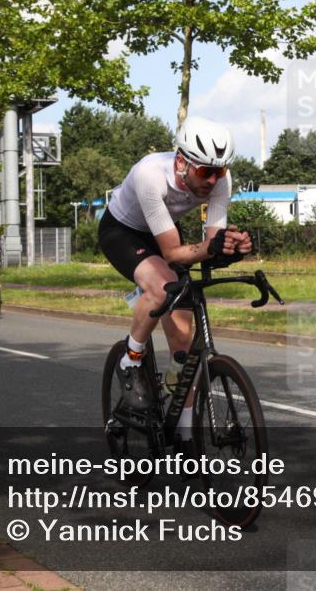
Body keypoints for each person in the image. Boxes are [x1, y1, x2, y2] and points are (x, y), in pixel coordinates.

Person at [99, 116, 251, 423]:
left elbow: (211, 244)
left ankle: (182, 432)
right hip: (123, 232)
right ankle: (130, 360)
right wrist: (213, 247)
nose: (213, 180)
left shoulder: (221, 180)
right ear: (182, 161)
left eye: (219, 171)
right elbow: (171, 252)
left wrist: (231, 248)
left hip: (165, 229)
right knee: (161, 285)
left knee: (184, 343)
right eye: (206, 171)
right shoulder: (150, 174)